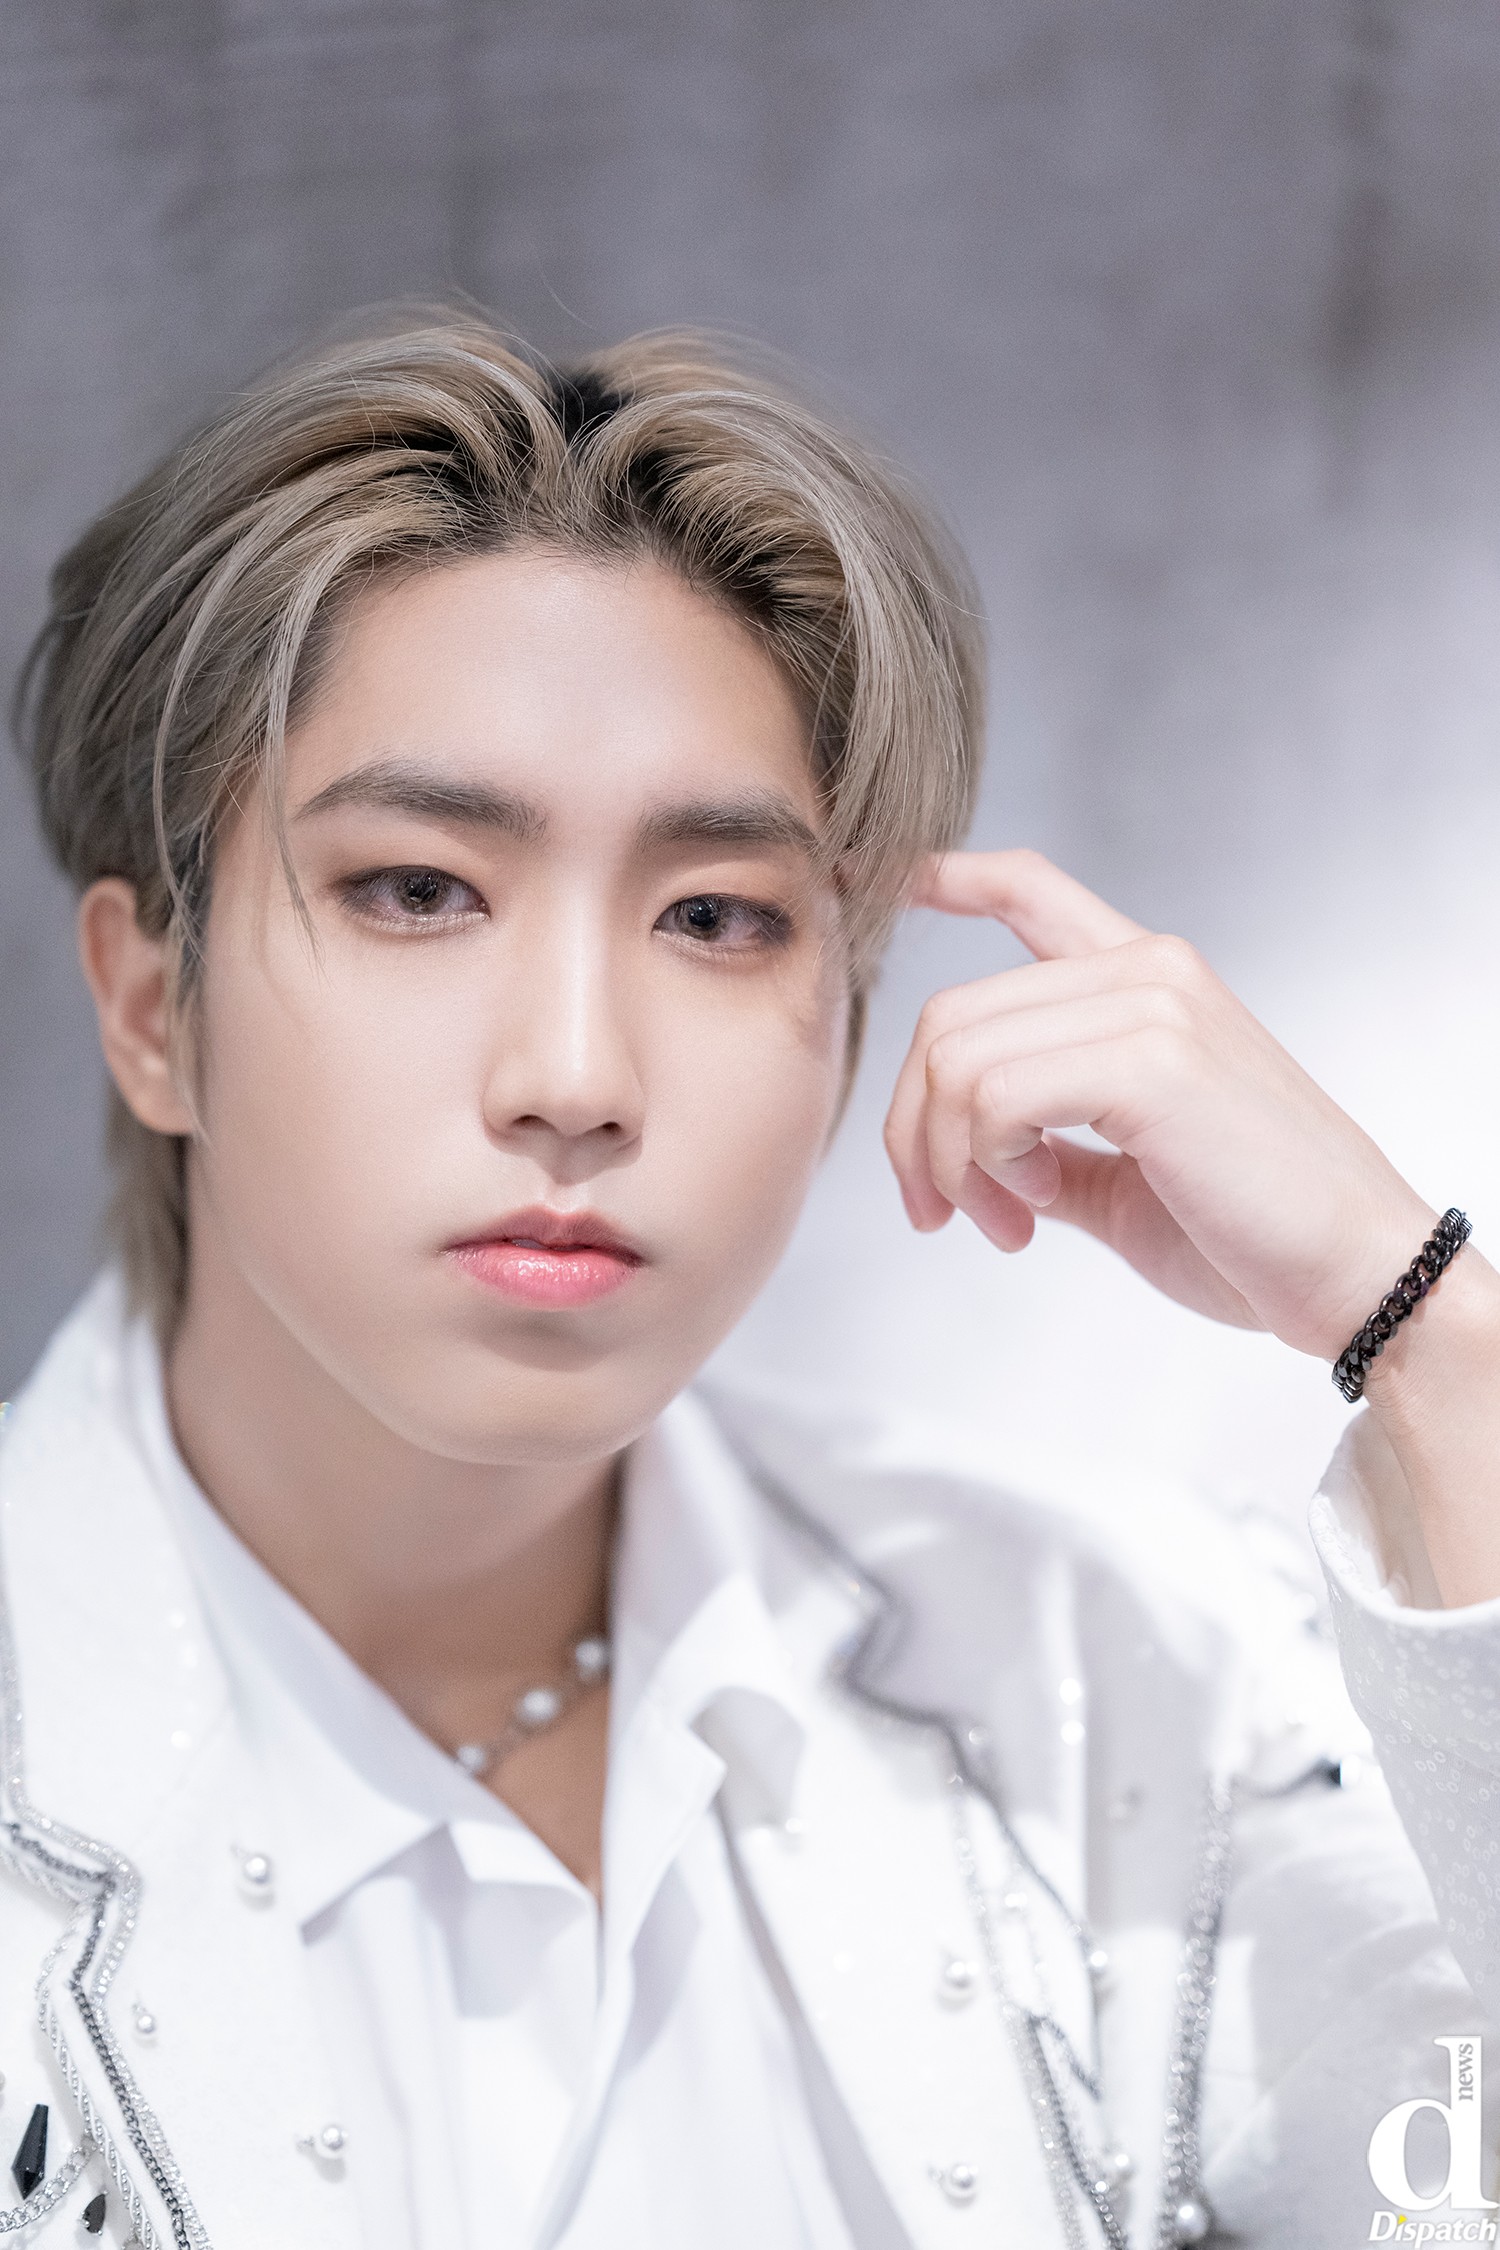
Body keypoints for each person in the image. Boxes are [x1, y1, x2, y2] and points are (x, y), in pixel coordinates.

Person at [1, 315, 1496, 2250]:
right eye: (419, 889)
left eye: (714, 915)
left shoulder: (1116, 1679)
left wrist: (1430, 1333)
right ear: (149, 1007)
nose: (576, 1076)